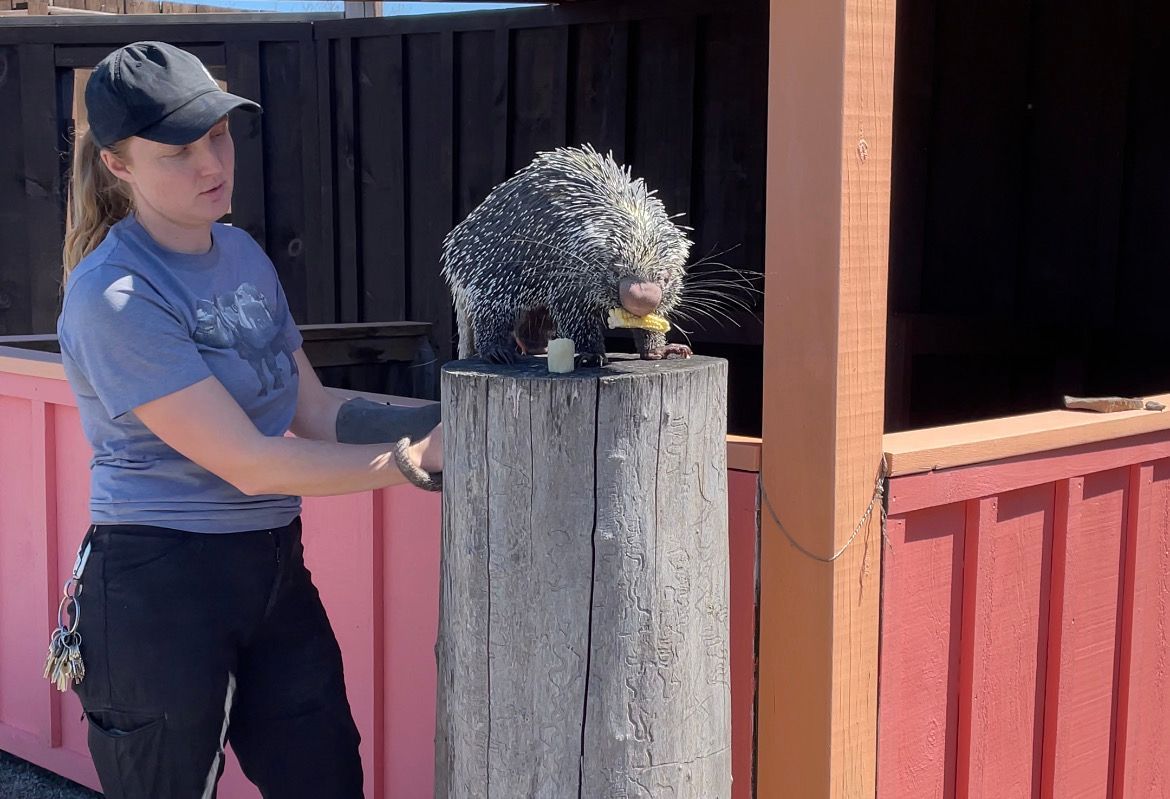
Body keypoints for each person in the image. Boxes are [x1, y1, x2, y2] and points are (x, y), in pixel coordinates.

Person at [54, 41, 443, 798]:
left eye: (219, 135)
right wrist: (418, 458)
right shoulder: (114, 294)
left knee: (327, 778)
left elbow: (315, 409)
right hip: (160, 581)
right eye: (178, 150)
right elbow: (247, 460)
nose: (212, 164)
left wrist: (468, 417)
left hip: (272, 568)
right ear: (117, 164)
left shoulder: (241, 254)